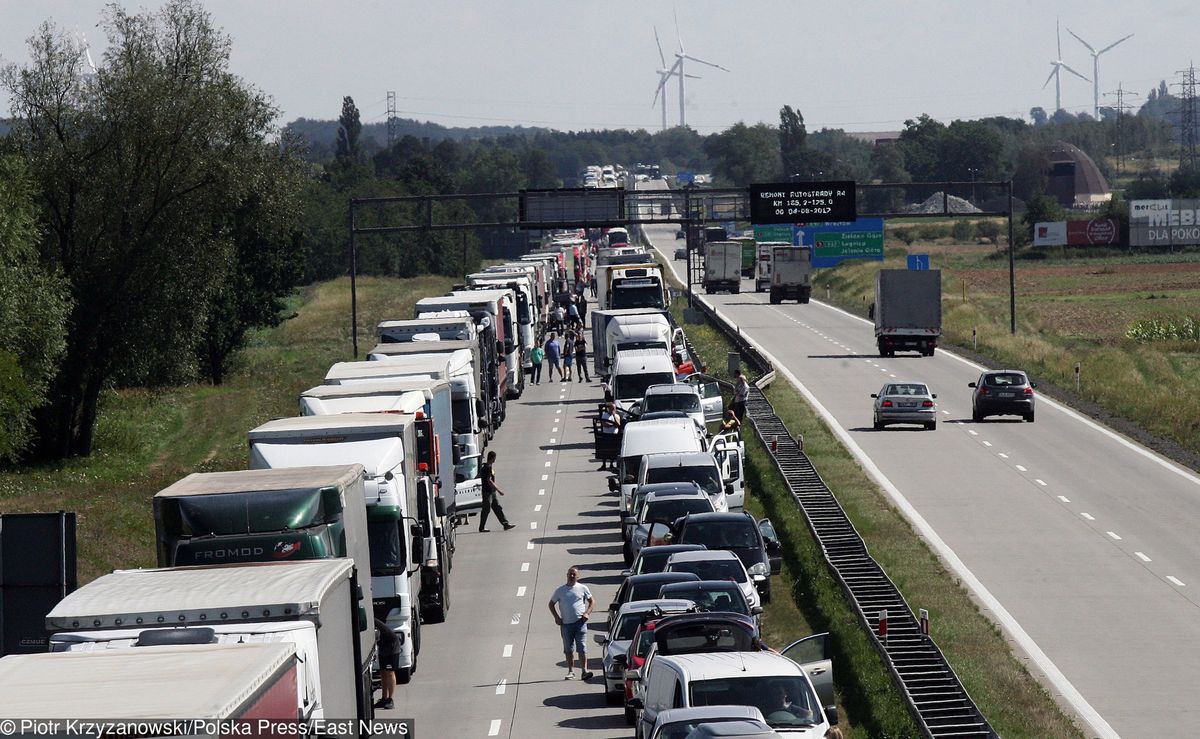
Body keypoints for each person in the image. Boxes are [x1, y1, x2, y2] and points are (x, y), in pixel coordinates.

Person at [547, 566, 594, 681]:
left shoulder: (582, 588)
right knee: (568, 649)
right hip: (566, 625)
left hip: (580, 623)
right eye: (570, 574)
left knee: (582, 647)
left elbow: (592, 601)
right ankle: (571, 671)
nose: (572, 576)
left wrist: (587, 613)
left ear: (578, 576)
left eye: (574, 574)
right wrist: (557, 618)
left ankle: (584, 671)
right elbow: (551, 604)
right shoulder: (560, 590)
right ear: (567, 575)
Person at [478, 450, 515, 532]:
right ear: (492, 458)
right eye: (495, 458)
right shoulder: (486, 468)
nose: (495, 459)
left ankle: (505, 524)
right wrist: (499, 490)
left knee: (497, 508)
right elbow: (489, 481)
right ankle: (482, 527)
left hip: (492, 492)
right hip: (487, 492)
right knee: (486, 510)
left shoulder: (490, 467)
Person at [374, 618, 399, 710]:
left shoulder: (372, 623)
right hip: (383, 647)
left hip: (392, 645)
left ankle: (390, 699)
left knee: (390, 672)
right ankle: (384, 698)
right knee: (383, 672)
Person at [598, 402, 620, 471]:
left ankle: (611, 464)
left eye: (614, 409)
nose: (613, 410)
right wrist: (613, 425)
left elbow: (618, 424)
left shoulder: (617, 416)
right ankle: (604, 464)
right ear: (609, 409)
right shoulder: (605, 415)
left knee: (613, 450)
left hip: (614, 435)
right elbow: (605, 424)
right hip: (606, 435)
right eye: (612, 408)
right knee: (605, 450)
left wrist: (614, 417)